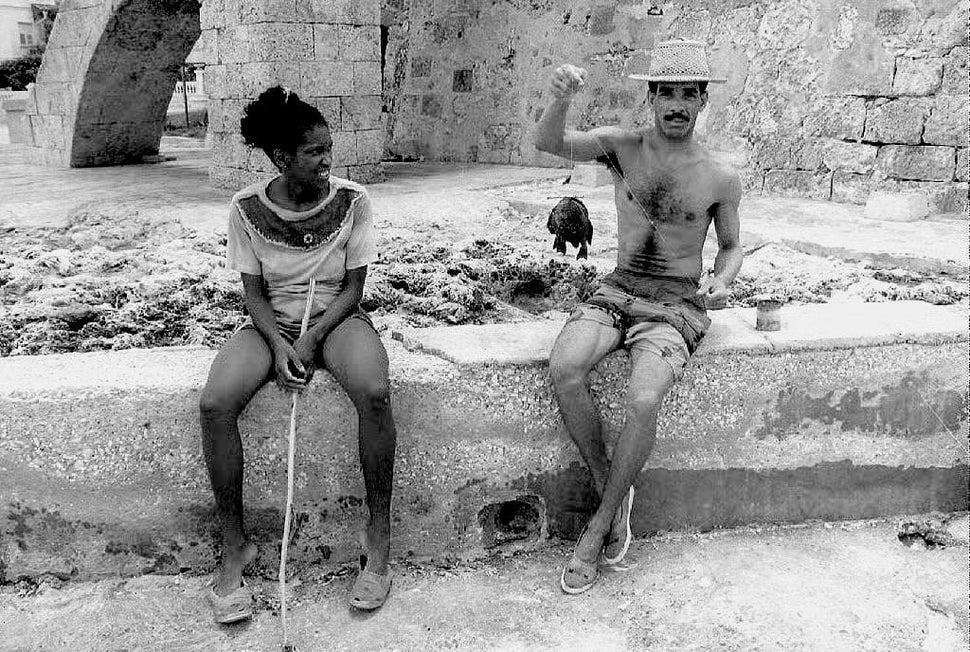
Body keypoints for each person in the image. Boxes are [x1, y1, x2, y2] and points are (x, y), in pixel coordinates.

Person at [534, 40, 743, 593]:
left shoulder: (721, 176)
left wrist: (721, 283)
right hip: (618, 289)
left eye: (689, 95)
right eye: (667, 93)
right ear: (651, 97)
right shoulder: (621, 147)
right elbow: (549, 142)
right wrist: (559, 99)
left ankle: (599, 525)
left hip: (676, 303)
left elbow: (730, 247)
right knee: (564, 369)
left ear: (702, 103)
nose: (677, 104)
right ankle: (611, 489)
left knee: (645, 397)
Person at [199, 86, 396, 621]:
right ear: (282, 158)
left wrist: (309, 340)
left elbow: (354, 290)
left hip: (335, 316)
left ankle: (377, 541)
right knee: (215, 404)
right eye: (314, 152)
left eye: (329, 147)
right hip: (273, 323)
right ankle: (235, 546)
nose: (328, 159)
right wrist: (280, 341)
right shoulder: (244, 207)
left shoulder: (353, 200)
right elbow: (254, 294)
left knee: (375, 392)